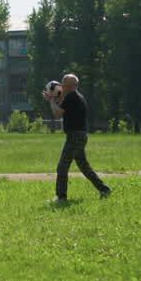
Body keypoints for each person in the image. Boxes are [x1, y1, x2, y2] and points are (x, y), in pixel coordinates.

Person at [43, 73, 111, 201]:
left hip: (74, 136)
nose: (60, 85)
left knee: (62, 167)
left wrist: (52, 100)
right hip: (80, 136)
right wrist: (53, 99)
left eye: (63, 82)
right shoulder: (76, 96)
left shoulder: (72, 97)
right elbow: (62, 104)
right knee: (84, 166)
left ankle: (61, 197)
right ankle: (104, 189)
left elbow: (57, 113)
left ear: (69, 86)